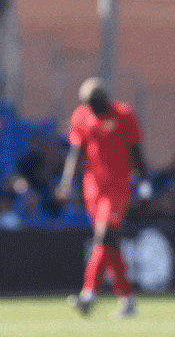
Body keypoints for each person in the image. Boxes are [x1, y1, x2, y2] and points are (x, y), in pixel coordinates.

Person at [56, 77, 151, 318]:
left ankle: (88, 294)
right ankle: (128, 300)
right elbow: (77, 152)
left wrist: (145, 185)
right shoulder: (81, 116)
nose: (94, 109)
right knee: (110, 244)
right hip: (93, 188)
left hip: (118, 187)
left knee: (103, 235)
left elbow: (137, 152)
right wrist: (67, 182)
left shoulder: (124, 114)